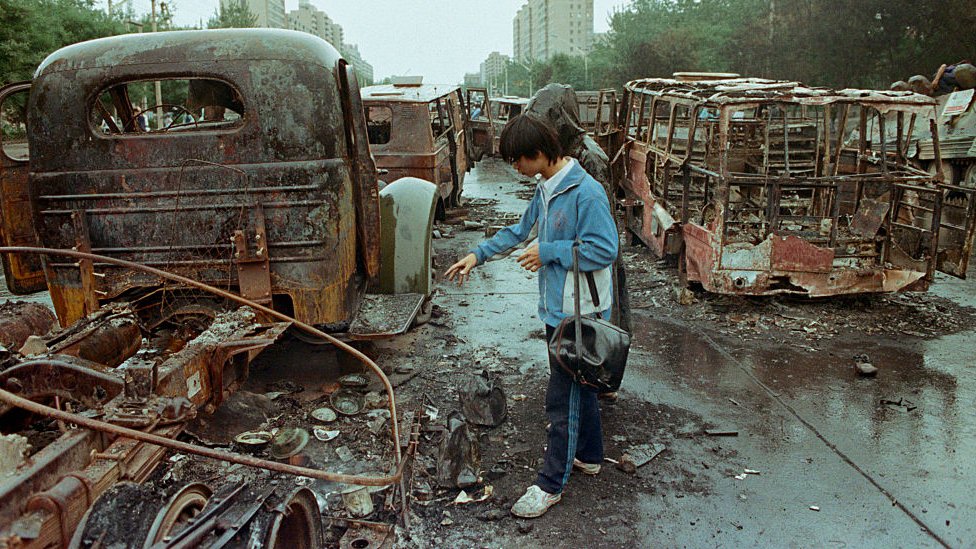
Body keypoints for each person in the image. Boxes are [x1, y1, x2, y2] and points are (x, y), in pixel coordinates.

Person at [445, 113, 618, 518]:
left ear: (538, 154)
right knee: (584, 386)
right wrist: (476, 255)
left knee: (563, 399)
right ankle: (590, 456)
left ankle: (550, 484)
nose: (516, 170)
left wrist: (550, 252)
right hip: (557, 309)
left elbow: (605, 249)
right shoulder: (546, 189)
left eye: (518, 161)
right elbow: (518, 231)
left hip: (581, 314)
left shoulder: (586, 193)